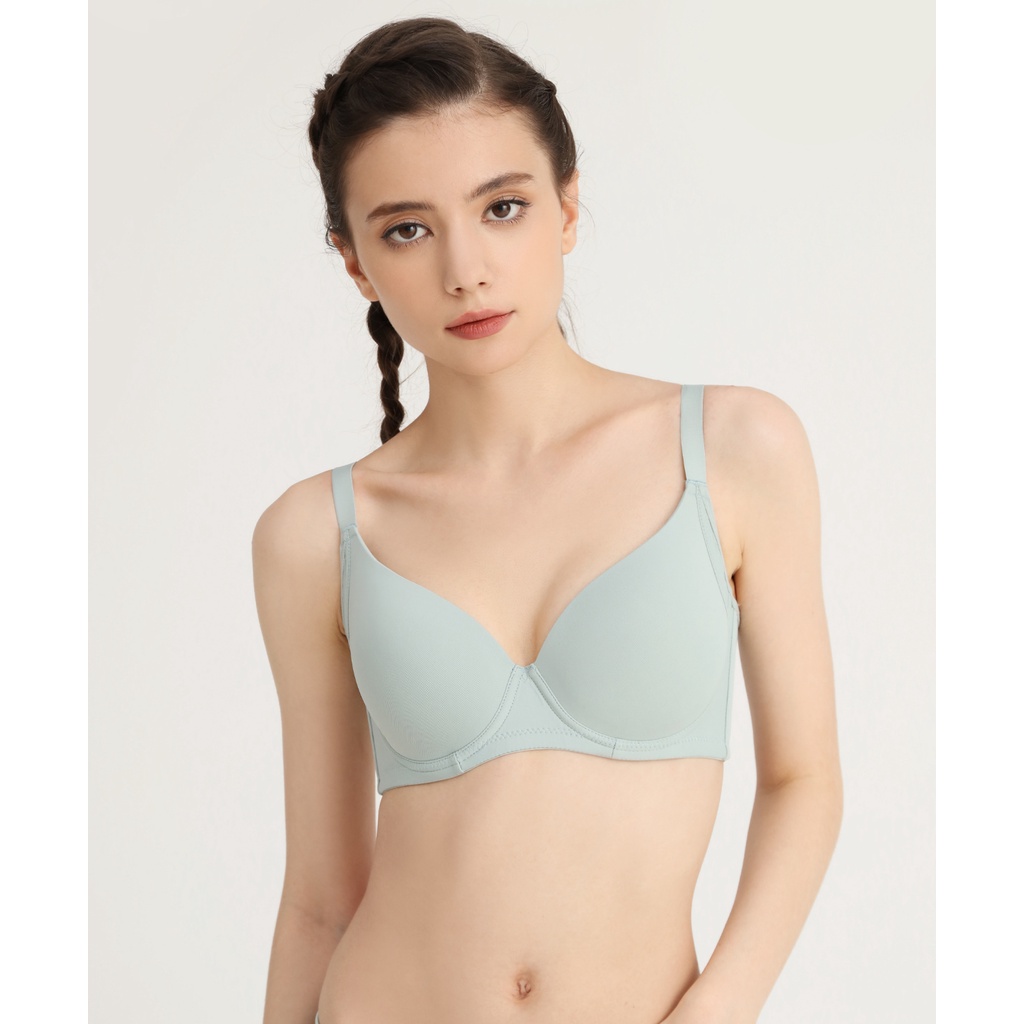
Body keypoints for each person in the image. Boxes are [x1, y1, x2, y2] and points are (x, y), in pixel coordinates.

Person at [252, 15, 843, 1024]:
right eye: (406, 229)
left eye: (503, 207)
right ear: (355, 263)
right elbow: (318, 898)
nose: (465, 269)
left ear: (567, 209)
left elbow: (803, 782)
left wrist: (716, 1012)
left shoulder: (733, 450)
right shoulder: (315, 534)